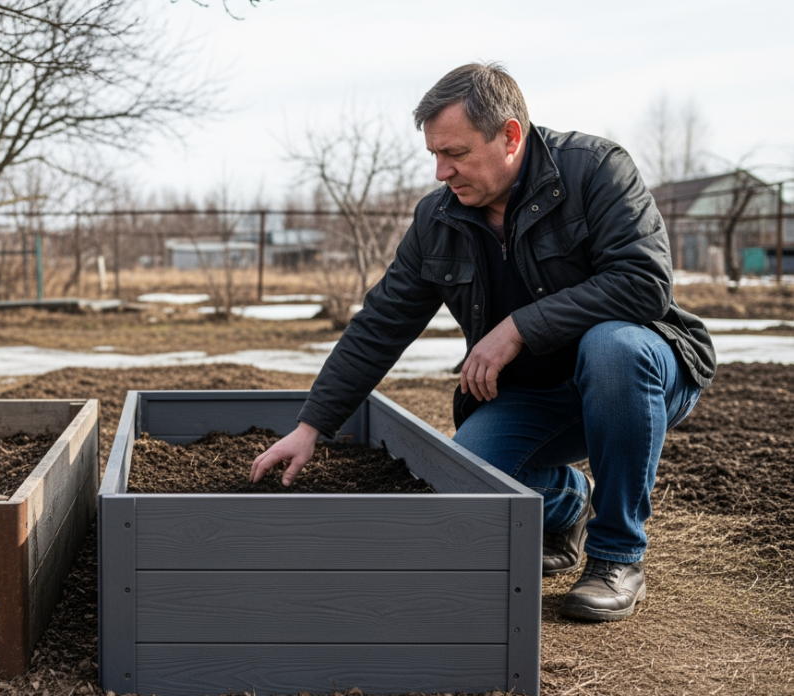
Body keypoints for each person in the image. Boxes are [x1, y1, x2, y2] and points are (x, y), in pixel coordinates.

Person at [249, 63, 715, 622]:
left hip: (638, 372)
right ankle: (567, 501)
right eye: (435, 156)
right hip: (536, 392)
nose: (443, 171)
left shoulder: (595, 170)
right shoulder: (438, 219)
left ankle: (616, 557)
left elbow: (643, 283)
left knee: (613, 347)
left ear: (510, 136)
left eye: (457, 153)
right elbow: (381, 323)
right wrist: (311, 426)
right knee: (464, 471)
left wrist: (518, 327)